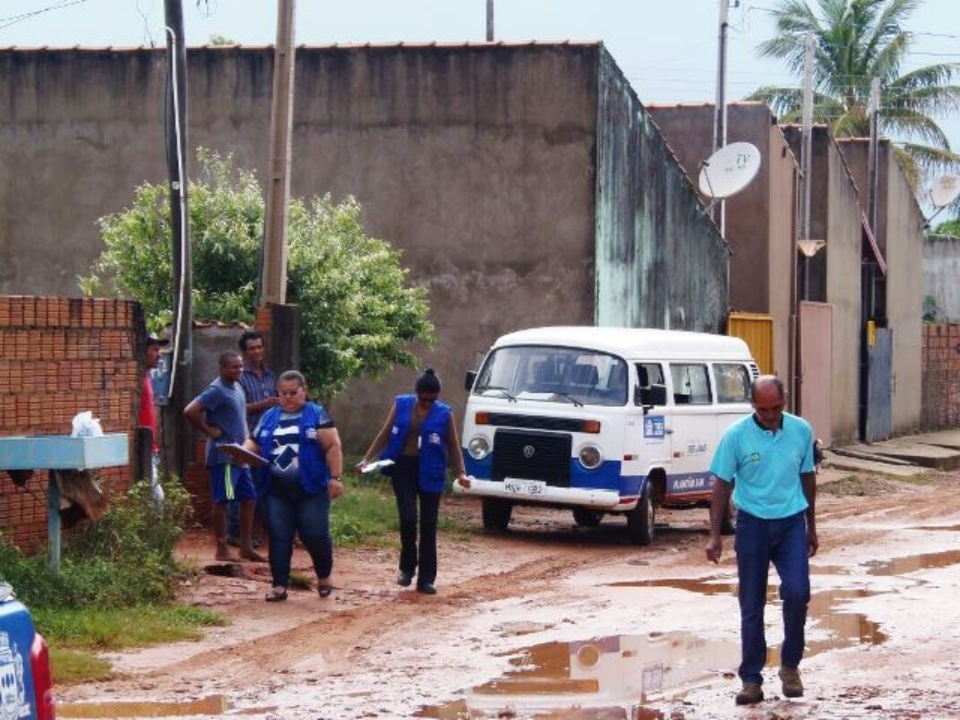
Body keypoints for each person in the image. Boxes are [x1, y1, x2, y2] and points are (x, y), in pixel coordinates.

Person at [705, 375, 818, 706]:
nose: (769, 416)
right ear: (752, 405)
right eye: (762, 409)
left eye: (776, 408)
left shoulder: (801, 430)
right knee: (751, 603)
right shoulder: (736, 436)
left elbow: (808, 477)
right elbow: (721, 485)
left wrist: (811, 526)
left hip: (791, 524)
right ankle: (751, 679)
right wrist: (714, 535)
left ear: (785, 402)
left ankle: (790, 666)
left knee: (798, 593)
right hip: (752, 525)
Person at [357, 368, 468, 595]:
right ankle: (407, 569)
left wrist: (461, 473)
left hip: (431, 470)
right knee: (408, 519)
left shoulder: (445, 414)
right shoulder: (401, 404)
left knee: (429, 525)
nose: (427, 403)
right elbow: (385, 433)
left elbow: (453, 445)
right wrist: (367, 459)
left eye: (431, 400)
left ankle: (426, 578)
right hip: (403, 468)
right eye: (423, 399)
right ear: (417, 394)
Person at [243, 370, 344, 602]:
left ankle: (324, 576)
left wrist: (335, 477)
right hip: (277, 488)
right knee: (279, 535)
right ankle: (279, 585)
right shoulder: (269, 416)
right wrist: (242, 451)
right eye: (282, 393)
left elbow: (332, 446)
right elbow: (254, 441)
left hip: (311, 487)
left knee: (315, 533)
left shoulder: (316, 414)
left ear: (304, 391)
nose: (287, 397)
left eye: (292, 393)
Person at [184, 350, 266, 563]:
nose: (238, 370)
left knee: (249, 498)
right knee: (223, 501)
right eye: (233, 367)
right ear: (222, 368)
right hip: (225, 458)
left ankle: (245, 547)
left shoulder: (237, 387)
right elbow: (190, 410)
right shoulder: (216, 390)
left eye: (240, 366)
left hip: (240, 456)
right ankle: (221, 547)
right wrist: (209, 431)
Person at [227, 329, 279, 547]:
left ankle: (255, 532)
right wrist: (262, 405)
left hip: (266, 441)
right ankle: (235, 533)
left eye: (259, 347)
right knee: (238, 487)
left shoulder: (271, 376)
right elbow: (235, 407)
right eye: (251, 349)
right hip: (245, 439)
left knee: (260, 486)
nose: (256, 352)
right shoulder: (239, 376)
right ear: (244, 352)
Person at [138, 332, 169, 504]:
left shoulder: (147, 377)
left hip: (151, 448)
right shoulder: (136, 379)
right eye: (155, 349)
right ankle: (156, 531)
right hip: (142, 448)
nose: (159, 354)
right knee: (157, 498)